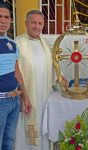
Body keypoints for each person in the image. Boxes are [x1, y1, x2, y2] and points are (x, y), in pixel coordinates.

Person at [15, 10, 53, 150]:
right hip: (27, 96)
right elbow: (14, 72)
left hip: (44, 95)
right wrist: (23, 95)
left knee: (42, 126)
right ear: (26, 23)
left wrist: (62, 79)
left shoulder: (46, 45)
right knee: (25, 130)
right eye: (33, 23)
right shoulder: (17, 44)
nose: (37, 26)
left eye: (40, 23)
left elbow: (52, 68)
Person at [0, 3, 32, 150]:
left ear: (10, 20)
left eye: (6, 17)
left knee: (8, 142)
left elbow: (17, 73)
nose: (3, 20)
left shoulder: (12, 44)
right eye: (0, 17)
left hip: (14, 100)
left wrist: (25, 96)